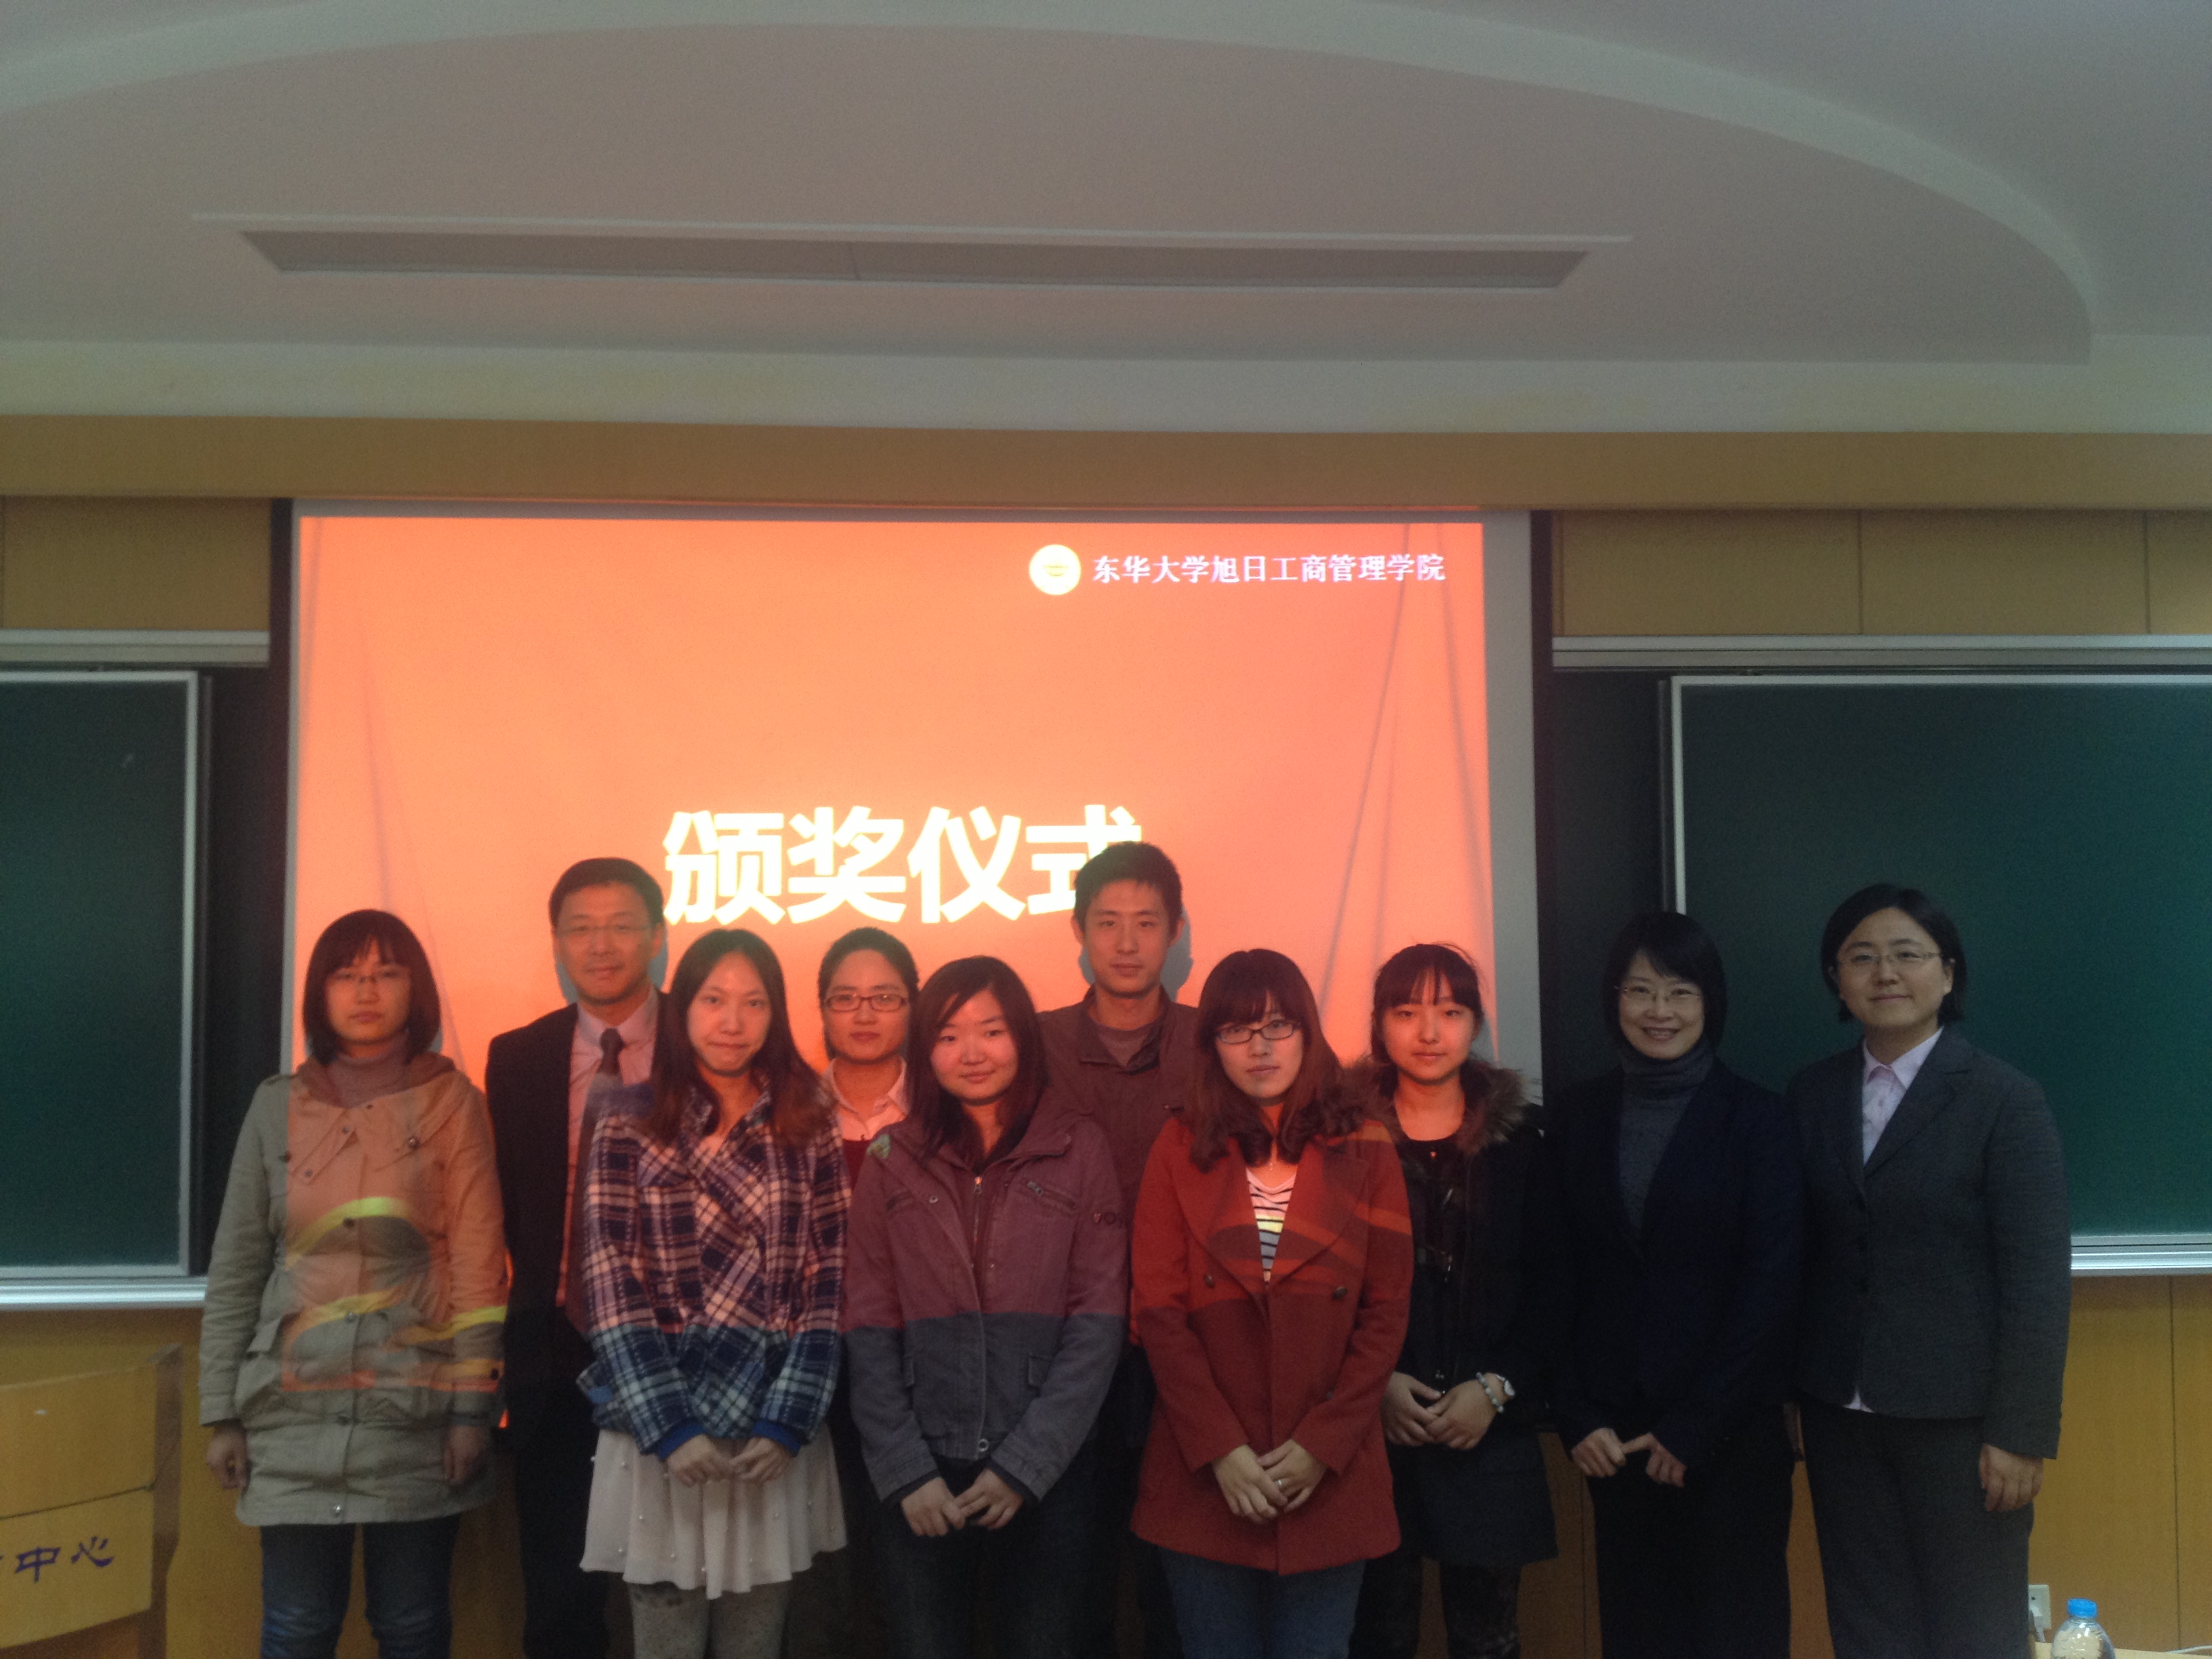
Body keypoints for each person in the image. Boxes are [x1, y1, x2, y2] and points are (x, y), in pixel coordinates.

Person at [201, 909, 508, 1659]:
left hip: (416, 1410)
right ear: (320, 993)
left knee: (411, 1625)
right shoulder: (276, 1105)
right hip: (290, 1409)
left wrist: (472, 1409)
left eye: (386, 973)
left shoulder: (454, 1104)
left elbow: (479, 1267)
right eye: (347, 974)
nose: (366, 991)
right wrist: (221, 1412)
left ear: (415, 989)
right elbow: (237, 1267)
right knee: (298, 1626)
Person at [1790, 885, 2070, 1659]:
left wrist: (2020, 1434)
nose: (1885, 973)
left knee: (1974, 1627)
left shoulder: (2004, 1100)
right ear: (1837, 979)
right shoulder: (1811, 1094)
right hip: (1839, 1414)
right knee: (1866, 1624)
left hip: (1963, 1426)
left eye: (1907, 954)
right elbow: (1798, 1256)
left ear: (1947, 974)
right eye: (1862, 957)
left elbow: (2038, 1283)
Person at [842, 955, 1128, 1659]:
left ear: (1023, 1037)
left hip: (1048, 1473)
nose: (971, 1053)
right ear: (925, 1050)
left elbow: (1098, 1321)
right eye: (948, 1036)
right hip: (923, 1468)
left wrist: (1026, 1465)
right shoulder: (890, 1158)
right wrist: (906, 1470)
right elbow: (867, 1324)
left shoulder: (1078, 1146)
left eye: (992, 1031)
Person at [1132, 949, 1412, 1659]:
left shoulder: (1367, 1144)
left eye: (1278, 1025)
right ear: (1211, 1045)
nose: (1260, 1047)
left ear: (1308, 1032)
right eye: (1237, 1030)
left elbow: (1386, 1312)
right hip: (1206, 1473)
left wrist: (1321, 1447)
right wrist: (1222, 1450)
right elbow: (1158, 1311)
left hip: (1327, 1470)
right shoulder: (1178, 1144)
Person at [577, 928, 847, 1659]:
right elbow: (609, 1278)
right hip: (662, 1424)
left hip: (769, 1427)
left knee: (756, 1640)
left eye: (754, 1003)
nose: (733, 1021)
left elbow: (829, 1279)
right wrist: (669, 1425)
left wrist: (789, 1420)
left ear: (776, 1013)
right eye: (714, 1000)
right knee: (665, 1640)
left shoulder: (809, 1120)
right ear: (683, 1010)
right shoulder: (628, 1117)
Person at [1547, 911, 1802, 1659]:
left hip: (1731, 1438)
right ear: (1614, 999)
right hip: (1615, 1439)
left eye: (1681, 992)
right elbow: (1554, 1274)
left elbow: (1771, 1286)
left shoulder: (1760, 1119)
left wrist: (1697, 1425)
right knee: (1638, 1634)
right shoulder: (1577, 1115)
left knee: (1738, 1634)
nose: (1660, 1011)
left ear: (1709, 1003)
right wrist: (1574, 1416)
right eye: (1641, 990)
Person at [1346, 945, 1567, 1659]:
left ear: (1475, 1023)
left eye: (1450, 1011)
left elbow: (1556, 1287)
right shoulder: (1340, 1140)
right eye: (1406, 1012)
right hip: (1372, 1432)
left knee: (1487, 1640)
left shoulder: (1523, 1141)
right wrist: (1376, 1384)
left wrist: (1498, 1387)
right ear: (1379, 1024)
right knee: (1378, 1637)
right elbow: (1322, 1287)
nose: (1428, 1031)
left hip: (1489, 1429)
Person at [485, 857, 668, 1659]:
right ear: (556, 941)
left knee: (684, 1591)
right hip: (556, 1354)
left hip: (677, 1354)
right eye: (581, 929)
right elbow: (509, 1205)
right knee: (560, 1598)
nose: (601, 945)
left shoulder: (707, 1042)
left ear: (657, 937)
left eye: (621, 925)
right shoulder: (517, 1057)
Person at [1038, 842, 1200, 1659]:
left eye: (1146, 922)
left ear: (1175, 930)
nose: (1127, 943)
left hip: (1190, 1341)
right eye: (1108, 923)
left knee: (1181, 1574)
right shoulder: (1033, 1046)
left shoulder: (1213, 1044)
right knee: (1073, 1573)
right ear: (1078, 930)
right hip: (1062, 1343)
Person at [784, 926, 919, 1659]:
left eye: (885, 997)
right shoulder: (785, 1109)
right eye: (846, 998)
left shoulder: (947, 1106)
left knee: (909, 1568)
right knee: (822, 1568)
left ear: (913, 1007)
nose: (864, 1014)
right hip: (810, 1364)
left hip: (919, 1364)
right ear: (823, 1010)